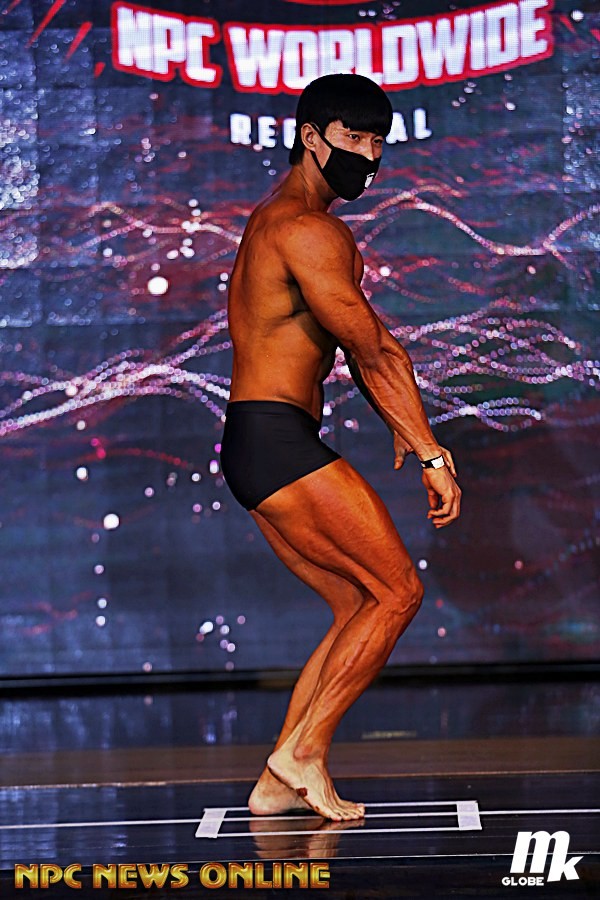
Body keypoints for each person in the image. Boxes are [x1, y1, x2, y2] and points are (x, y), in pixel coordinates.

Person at [219, 73, 461, 822]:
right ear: (309, 138)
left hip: (259, 442)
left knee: (358, 599)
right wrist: (431, 453)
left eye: (378, 142)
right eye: (353, 138)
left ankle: (275, 781)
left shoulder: (278, 221)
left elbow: (351, 348)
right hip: (276, 440)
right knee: (398, 591)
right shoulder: (308, 231)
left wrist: (400, 422)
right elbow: (376, 349)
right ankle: (304, 754)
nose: (369, 156)